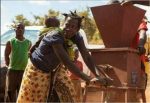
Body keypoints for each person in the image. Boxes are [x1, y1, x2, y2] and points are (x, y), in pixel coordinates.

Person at [17, 11, 113, 103]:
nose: (68, 28)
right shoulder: (55, 35)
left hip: (55, 69)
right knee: (35, 99)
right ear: (63, 24)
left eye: (72, 26)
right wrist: (89, 79)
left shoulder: (77, 36)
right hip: (37, 69)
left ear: (77, 29)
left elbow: (86, 56)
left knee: (68, 93)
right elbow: (67, 62)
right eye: (66, 25)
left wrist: (99, 76)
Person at [108, 1, 148, 102]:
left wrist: (140, 44)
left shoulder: (134, 18)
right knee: (113, 97)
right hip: (117, 67)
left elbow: (143, 32)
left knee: (132, 97)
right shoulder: (110, 24)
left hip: (135, 66)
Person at [4, 22, 32, 102]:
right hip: (12, 71)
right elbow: (6, 56)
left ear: (24, 30)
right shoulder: (10, 42)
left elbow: (29, 55)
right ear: (15, 29)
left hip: (24, 71)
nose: (20, 29)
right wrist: (10, 66)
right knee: (10, 91)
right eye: (18, 27)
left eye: (22, 28)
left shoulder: (28, 42)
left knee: (22, 91)